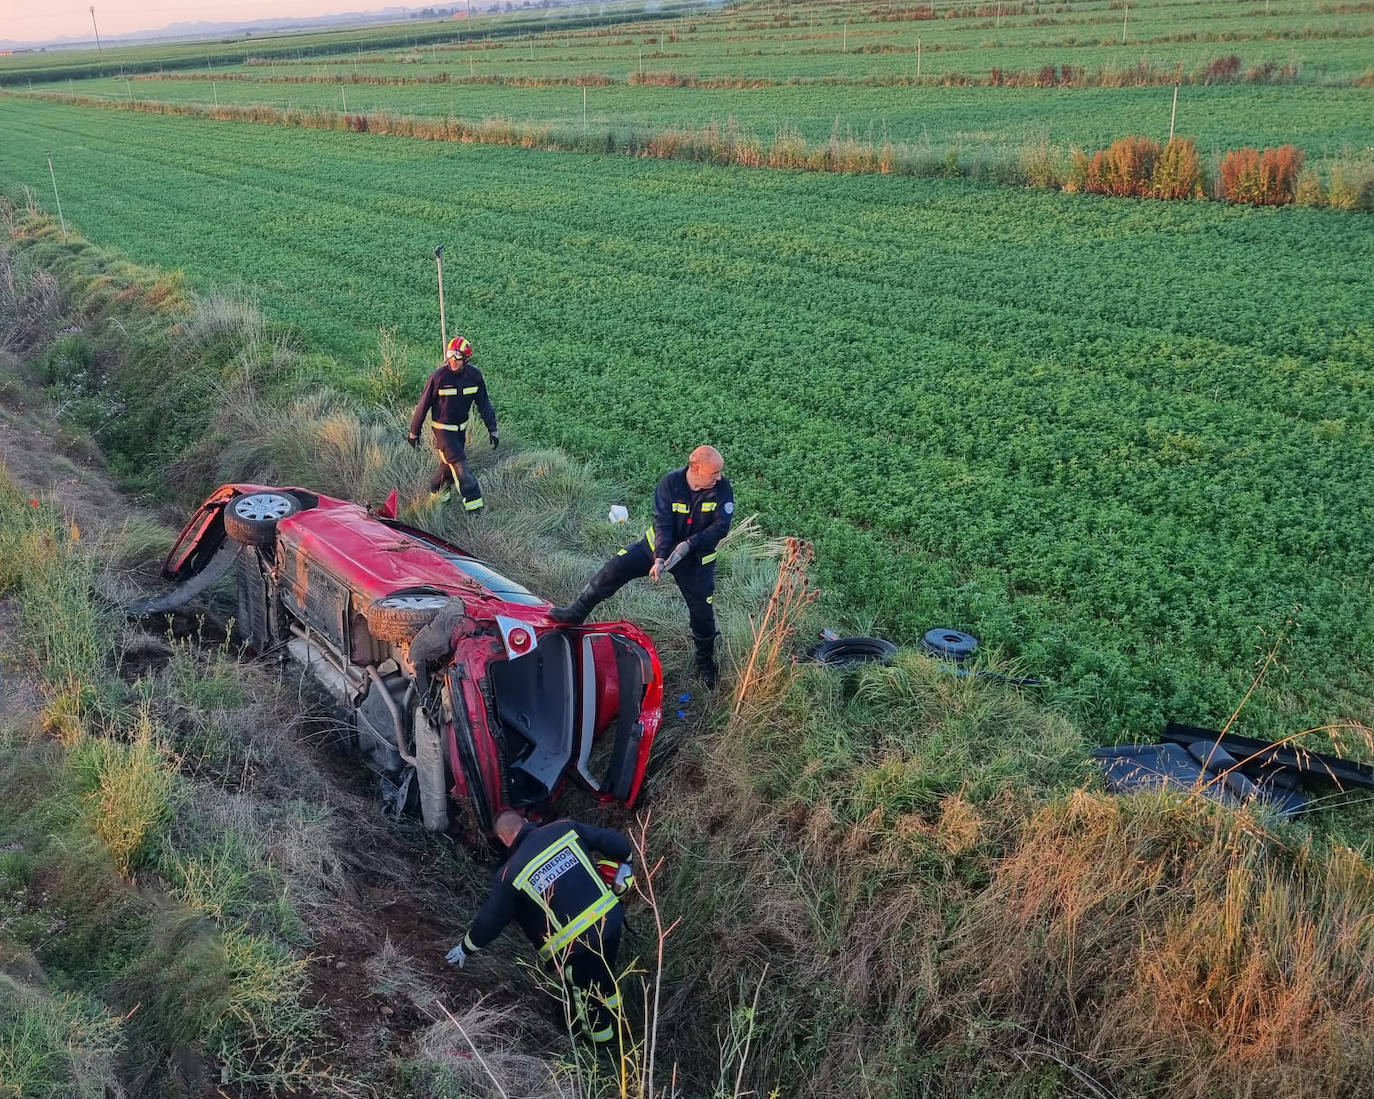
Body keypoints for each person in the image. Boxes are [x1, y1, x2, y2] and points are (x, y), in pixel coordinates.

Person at [445, 810, 635, 1047]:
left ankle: (601, 1048)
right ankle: (620, 1022)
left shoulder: (509, 874)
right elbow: (609, 840)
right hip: (611, 922)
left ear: (504, 839)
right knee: (604, 974)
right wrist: (627, 859)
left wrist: (466, 948)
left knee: (584, 998)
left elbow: (491, 919)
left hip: (577, 948)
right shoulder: (564, 827)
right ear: (525, 822)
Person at [551, 446, 733, 687]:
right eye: (714, 472)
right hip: (658, 547)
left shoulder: (722, 489)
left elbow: (720, 527)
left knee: (702, 612)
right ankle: (575, 613)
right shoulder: (670, 484)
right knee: (614, 569)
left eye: (719, 472)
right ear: (696, 468)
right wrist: (659, 557)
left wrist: (689, 545)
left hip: (695, 559)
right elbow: (663, 524)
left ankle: (706, 665)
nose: (719, 477)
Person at [408, 335, 498, 512]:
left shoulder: (475, 377)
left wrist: (493, 429)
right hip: (442, 430)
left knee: (447, 467)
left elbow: (484, 404)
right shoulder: (438, 377)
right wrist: (414, 432)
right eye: (450, 354)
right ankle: (475, 508)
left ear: (466, 358)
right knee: (460, 465)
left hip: (460, 430)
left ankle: (437, 492)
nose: (453, 360)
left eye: (457, 356)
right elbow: (423, 405)